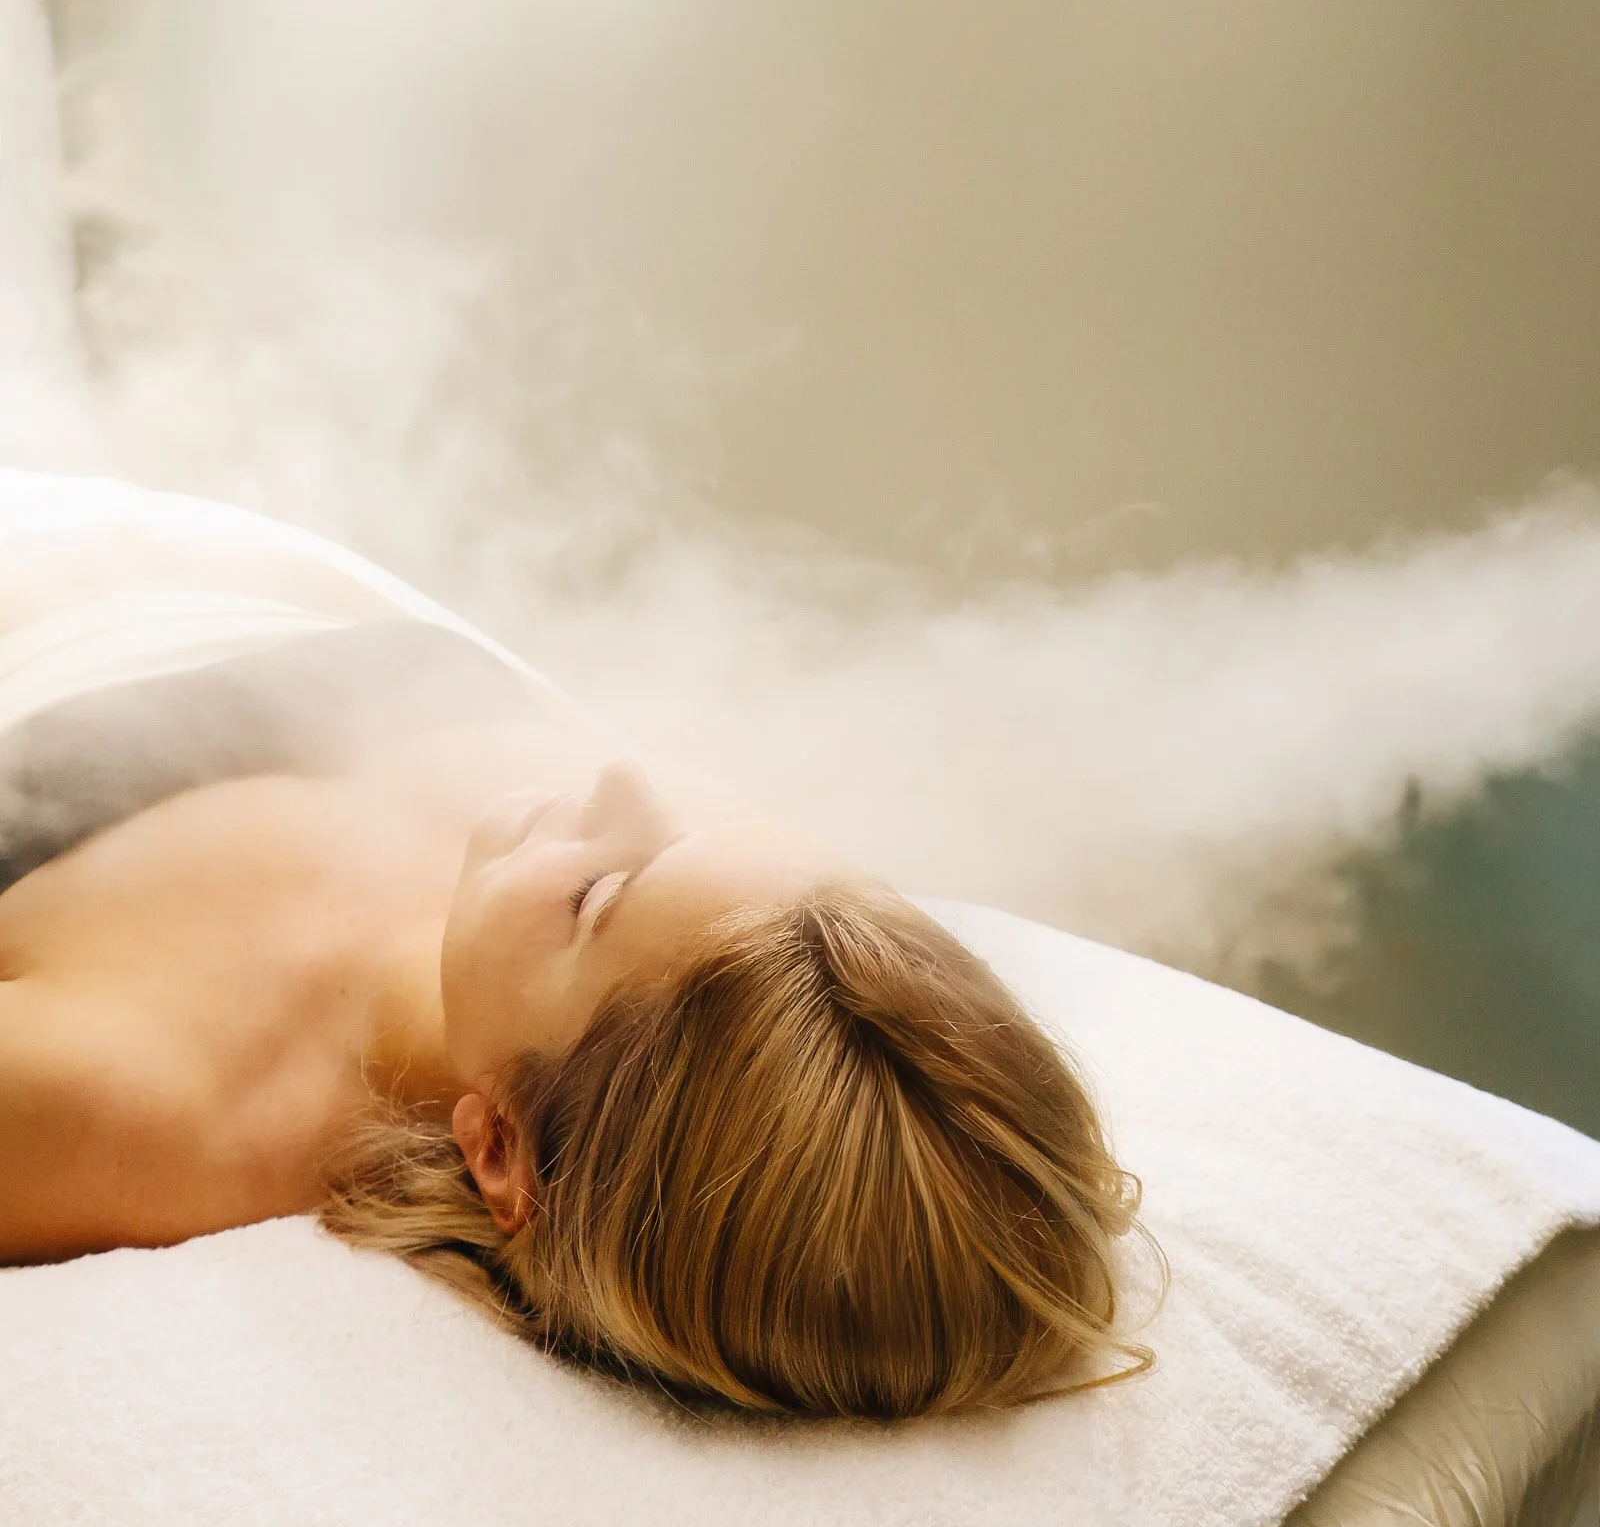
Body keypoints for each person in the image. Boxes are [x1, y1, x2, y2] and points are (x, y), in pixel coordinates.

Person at [0, 520, 1152, 1420]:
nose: (627, 785)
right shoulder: (743, 943)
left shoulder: (133, 1100)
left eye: (598, 899)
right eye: (704, 830)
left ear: (500, 1149)